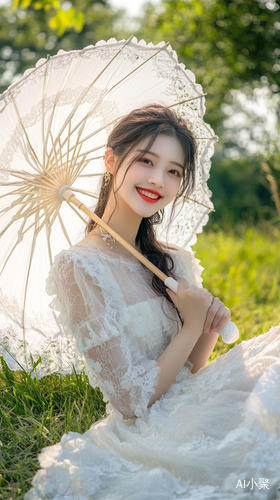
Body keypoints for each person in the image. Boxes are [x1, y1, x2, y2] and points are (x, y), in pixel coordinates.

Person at [25, 105, 280, 500]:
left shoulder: (175, 260)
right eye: (146, 161)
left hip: (195, 399)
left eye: (174, 171)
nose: (158, 180)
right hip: (152, 427)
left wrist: (208, 326)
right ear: (111, 160)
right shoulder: (79, 267)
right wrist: (193, 325)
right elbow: (131, 402)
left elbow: (192, 373)